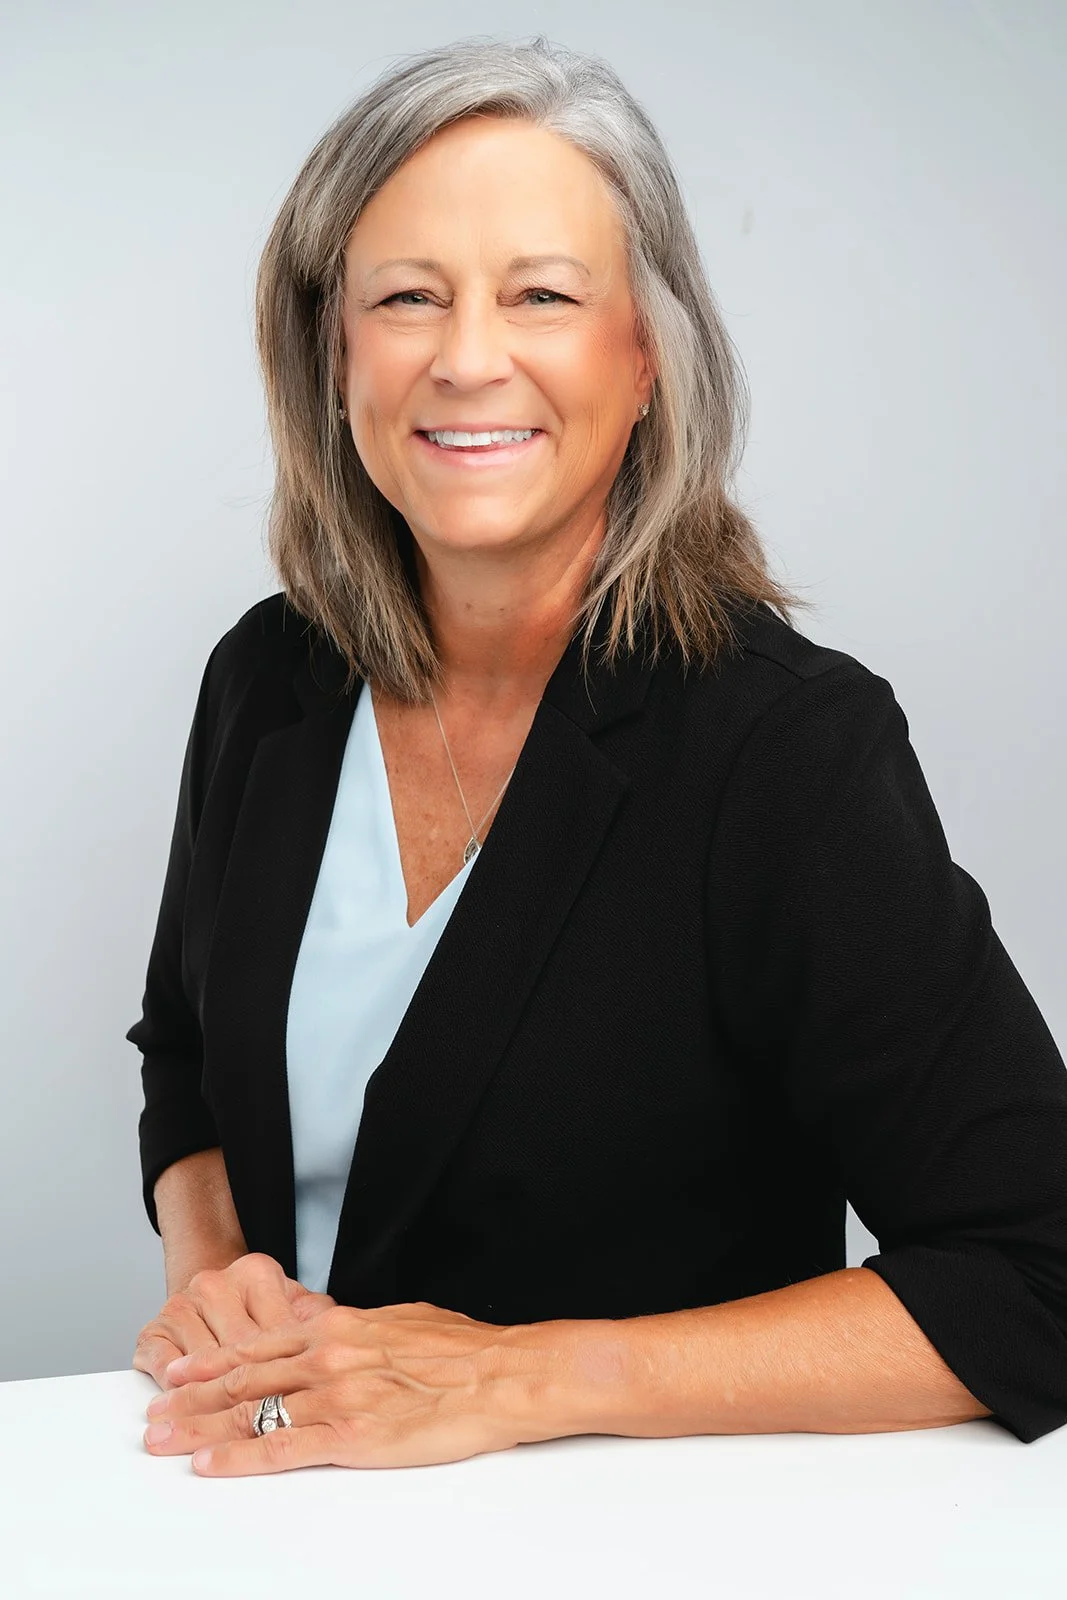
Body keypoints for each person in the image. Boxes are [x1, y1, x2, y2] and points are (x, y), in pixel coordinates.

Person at [127, 36, 1067, 1475]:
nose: (466, 357)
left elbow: (1036, 1271)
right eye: (406, 298)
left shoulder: (782, 751)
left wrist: (507, 1381)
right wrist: (213, 1271)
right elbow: (183, 1063)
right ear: (331, 356)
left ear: (645, 359)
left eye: (542, 296)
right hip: (284, 1521)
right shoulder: (269, 679)